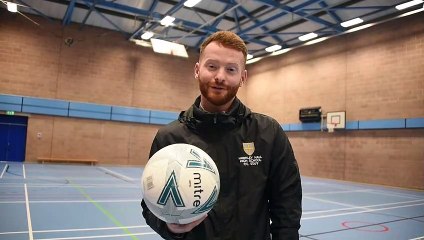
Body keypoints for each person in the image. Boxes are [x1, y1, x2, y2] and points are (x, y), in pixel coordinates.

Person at [141, 31, 302, 240]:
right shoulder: (170, 137)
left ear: (242, 77)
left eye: (231, 69)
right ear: (197, 70)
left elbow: (287, 205)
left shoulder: (268, 133)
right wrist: (170, 228)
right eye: (212, 66)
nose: (220, 76)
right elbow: (150, 203)